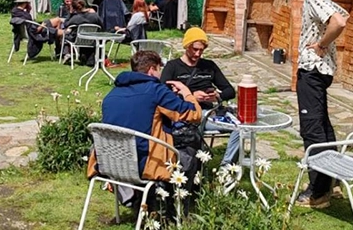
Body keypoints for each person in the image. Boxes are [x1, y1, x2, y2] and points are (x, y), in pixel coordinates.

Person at [87, 50, 201, 211]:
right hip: (144, 165)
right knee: (189, 154)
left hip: (111, 165)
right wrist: (186, 93)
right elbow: (194, 114)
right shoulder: (155, 90)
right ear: (152, 69)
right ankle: (177, 210)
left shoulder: (112, 94)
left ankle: (135, 198)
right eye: (159, 69)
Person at [286, 0, 349, 209]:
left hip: (312, 71)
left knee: (312, 131)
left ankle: (318, 192)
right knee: (323, 127)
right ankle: (329, 182)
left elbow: (339, 21)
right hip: (318, 71)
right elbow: (343, 14)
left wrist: (322, 44)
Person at [161, 27, 239, 163]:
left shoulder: (209, 66)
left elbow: (230, 91)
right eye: (194, 49)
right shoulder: (173, 66)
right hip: (186, 114)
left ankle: (227, 168)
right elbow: (163, 94)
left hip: (209, 113)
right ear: (186, 46)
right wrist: (190, 96)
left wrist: (216, 97)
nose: (198, 54)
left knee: (241, 128)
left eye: (201, 50)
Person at [62, 0, 104, 65]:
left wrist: (70, 13)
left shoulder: (76, 18)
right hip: (93, 40)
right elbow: (101, 25)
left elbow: (65, 24)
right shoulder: (94, 16)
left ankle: (67, 53)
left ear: (74, 8)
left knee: (65, 35)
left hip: (78, 40)